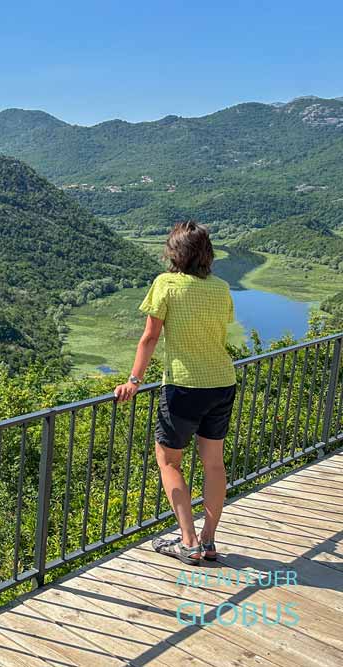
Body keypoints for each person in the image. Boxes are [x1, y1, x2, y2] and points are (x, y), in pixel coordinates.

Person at [114, 220, 236, 565]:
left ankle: (188, 541)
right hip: (222, 382)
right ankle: (209, 541)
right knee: (213, 464)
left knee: (169, 461)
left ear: (175, 253)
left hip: (183, 386)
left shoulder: (165, 284)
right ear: (206, 254)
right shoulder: (222, 288)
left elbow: (150, 337)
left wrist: (133, 381)